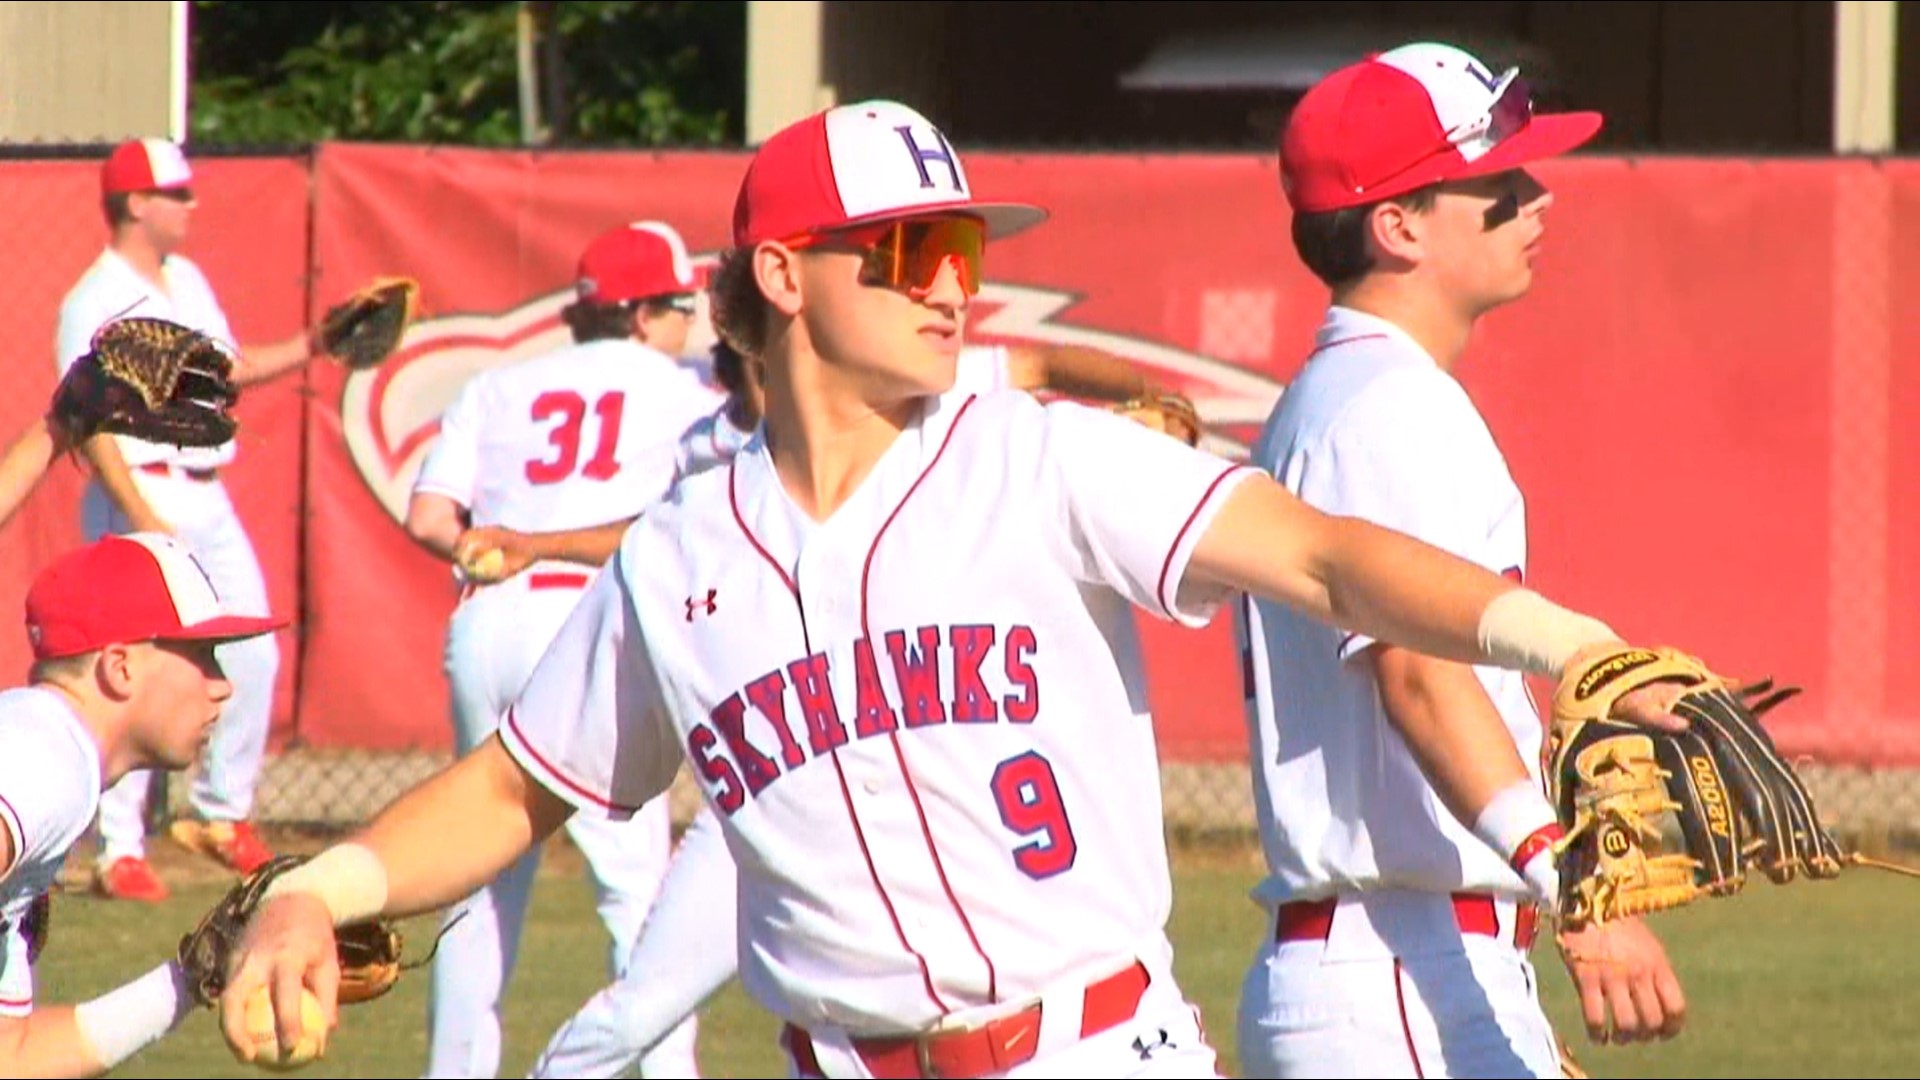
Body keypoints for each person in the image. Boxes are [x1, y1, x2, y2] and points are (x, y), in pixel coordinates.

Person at [214, 99, 1698, 1080]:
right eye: (912, 249)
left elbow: (1322, 553)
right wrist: (315, 889)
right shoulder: (675, 553)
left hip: (1097, 1046)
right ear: (787, 277)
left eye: (967, 249)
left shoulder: (1042, 461)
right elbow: (512, 788)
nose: (952, 284)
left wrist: (1561, 638)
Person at [454, 332, 1189, 1078]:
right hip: (778, 789)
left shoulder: (913, 391)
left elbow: (1040, 362)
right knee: (645, 1000)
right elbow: (652, 539)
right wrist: (539, 545)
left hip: (912, 746)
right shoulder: (712, 449)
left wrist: (1146, 398)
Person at [1231, 42, 1688, 1079]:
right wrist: (1571, 878)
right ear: (1397, 227)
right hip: (1398, 963)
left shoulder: (1358, 394)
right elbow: (1418, 672)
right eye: (1498, 184)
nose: (1536, 200)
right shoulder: (1385, 407)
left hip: (1412, 963)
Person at [402, 219, 724, 1079]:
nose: (686, 326)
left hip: (492, 615)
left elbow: (431, 519)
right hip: (593, 618)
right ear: (648, 313)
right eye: (678, 309)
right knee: (635, 888)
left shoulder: (501, 385)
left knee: (478, 866)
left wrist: (492, 544)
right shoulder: (687, 392)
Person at [53, 137, 334, 901]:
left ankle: (218, 814)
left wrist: (317, 344)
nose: (190, 205)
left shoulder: (187, 279)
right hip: (138, 488)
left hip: (205, 490)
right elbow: (91, 422)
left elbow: (226, 369)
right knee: (127, 671)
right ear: (137, 202)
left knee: (252, 654)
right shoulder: (94, 298)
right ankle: (118, 849)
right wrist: (142, 517)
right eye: (177, 193)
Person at [0, 531, 287, 1076]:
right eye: (201, 655)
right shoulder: (49, 757)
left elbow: (12, 1059)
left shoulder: (50, 757)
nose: (222, 685)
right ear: (120, 667)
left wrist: (188, 978)